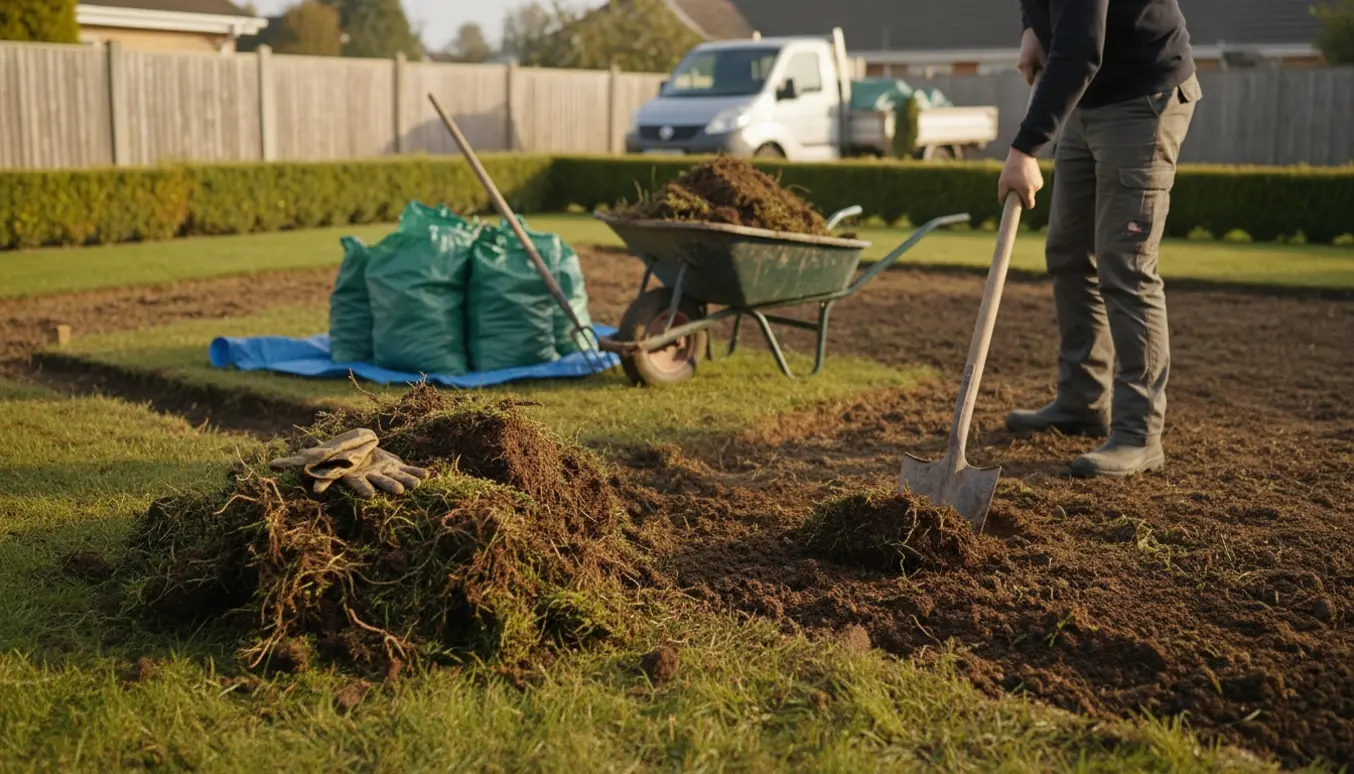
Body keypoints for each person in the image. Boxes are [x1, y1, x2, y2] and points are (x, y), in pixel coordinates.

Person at [997, 0, 1201, 478]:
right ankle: (1083, 400)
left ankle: (1138, 434)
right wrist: (1031, 27)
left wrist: (1026, 148)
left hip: (1143, 97)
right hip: (1089, 101)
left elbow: (1080, 49)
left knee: (1126, 265)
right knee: (1068, 252)